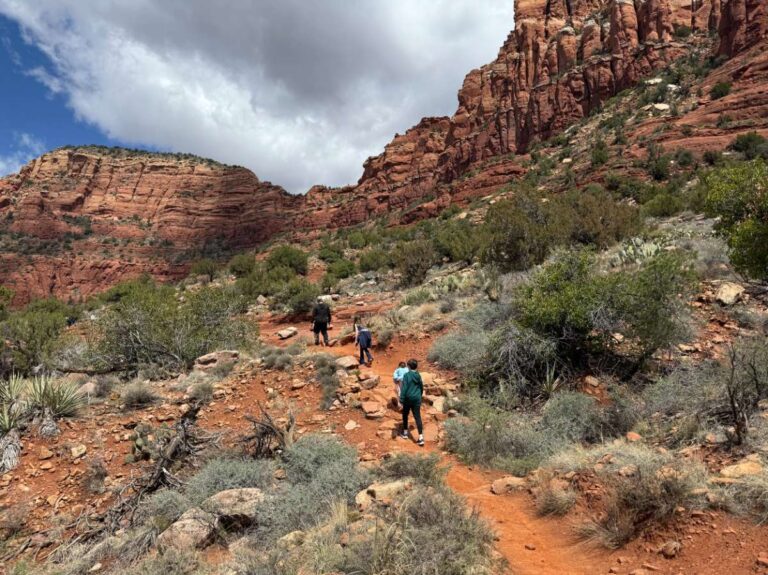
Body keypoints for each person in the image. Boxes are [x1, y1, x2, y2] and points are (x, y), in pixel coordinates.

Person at [399, 358, 424, 446]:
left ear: (408, 366)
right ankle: (421, 437)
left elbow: (404, 388)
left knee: (405, 414)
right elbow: (421, 386)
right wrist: (419, 396)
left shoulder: (407, 375)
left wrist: (401, 400)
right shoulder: (418, 375)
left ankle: (405, 433)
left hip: (408, 399)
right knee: (417, 417)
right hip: (417, 399)